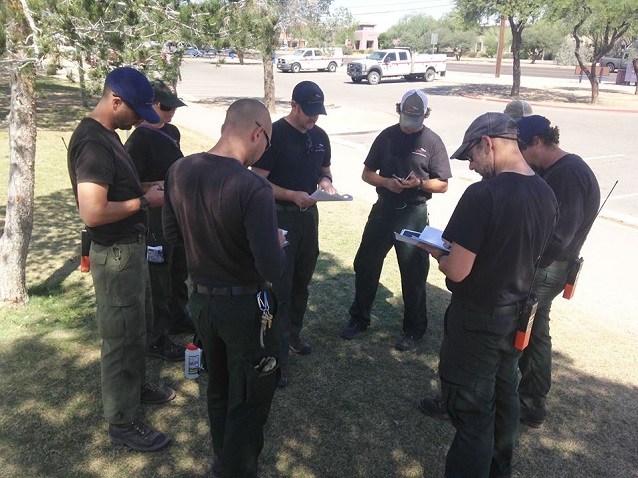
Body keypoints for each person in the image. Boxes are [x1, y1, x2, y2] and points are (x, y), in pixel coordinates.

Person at [417, 112, 557, 477]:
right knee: (505, 400)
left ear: (487, 143)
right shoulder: (545, 193)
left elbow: (458, 269)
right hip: (516, 318)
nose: (471, 166)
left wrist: (439, 254)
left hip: (477, 320)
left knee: (473, 416)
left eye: (472, 156)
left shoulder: (482, 195)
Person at [162, 99, 287, 478]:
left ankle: (223, 460)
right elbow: (271, 267)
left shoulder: (179, 170)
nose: (266, 150)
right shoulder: (253, 187)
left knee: (218, 387)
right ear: (256, 133)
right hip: (244, 308)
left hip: (202, 302)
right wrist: (277, 244)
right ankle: (236, 468)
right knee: (249, 397)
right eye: (267, 141)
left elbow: (172, 235)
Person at [67, 67, 175, 452]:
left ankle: (137, 387)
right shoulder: (93, 143)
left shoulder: (109, 135)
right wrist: (146, 201)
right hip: (115, 256)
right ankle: (122, 421)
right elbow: (93, 212)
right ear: (115, 102)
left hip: (130, 251)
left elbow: (117, 188)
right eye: (136, 111)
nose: (139, 119)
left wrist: (148, 187)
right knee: (120, 338)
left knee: (138, 327)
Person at [341, 89, 452, 351]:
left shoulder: (433, 141)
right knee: (366, 263)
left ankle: (414, 330)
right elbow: (367, 174)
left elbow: (443, 184)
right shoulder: (386, 136)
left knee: (413, 273)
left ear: (426, 114)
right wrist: (386, 182)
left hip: (413, 213)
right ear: (398, 109)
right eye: (406, 118)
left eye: (416, 120)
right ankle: (359, 318)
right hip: (384, 209)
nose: (410, 125)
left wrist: (419, 184)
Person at [516, 115, 600, 428]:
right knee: (536, 333)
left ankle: (528, 402)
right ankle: (532, 402)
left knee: (524, 330)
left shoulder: (569, 174)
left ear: (537, 141)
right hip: (547, 266)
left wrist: (524, 258)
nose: (521, 155)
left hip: (547, 267)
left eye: (522, 147)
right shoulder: (556, 170)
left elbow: (559, 236)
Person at [251, 81, 337, 387]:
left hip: (308, 218)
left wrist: (325, 182)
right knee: (280, 289)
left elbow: (324, 169)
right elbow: (257, 181)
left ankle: (294, 334)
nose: (313, 119)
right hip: (279, 218)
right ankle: (276, 355)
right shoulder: (274, 136)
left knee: (302, 280)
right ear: (294, 105)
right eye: (309, 112)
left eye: (318, 113)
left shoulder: (320, 136)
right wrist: (290, 194)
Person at [125, 79, 192, 363]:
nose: (171, 112)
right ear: (150, 105)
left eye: (174, 107)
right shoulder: (137, 139)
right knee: (159, 277)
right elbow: (129, 184)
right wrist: (155, 186)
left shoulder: (173, 131)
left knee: (179, 269)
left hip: (176, 211)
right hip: (153, 216)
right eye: (165, 107)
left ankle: (179, 316)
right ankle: (157, 338)